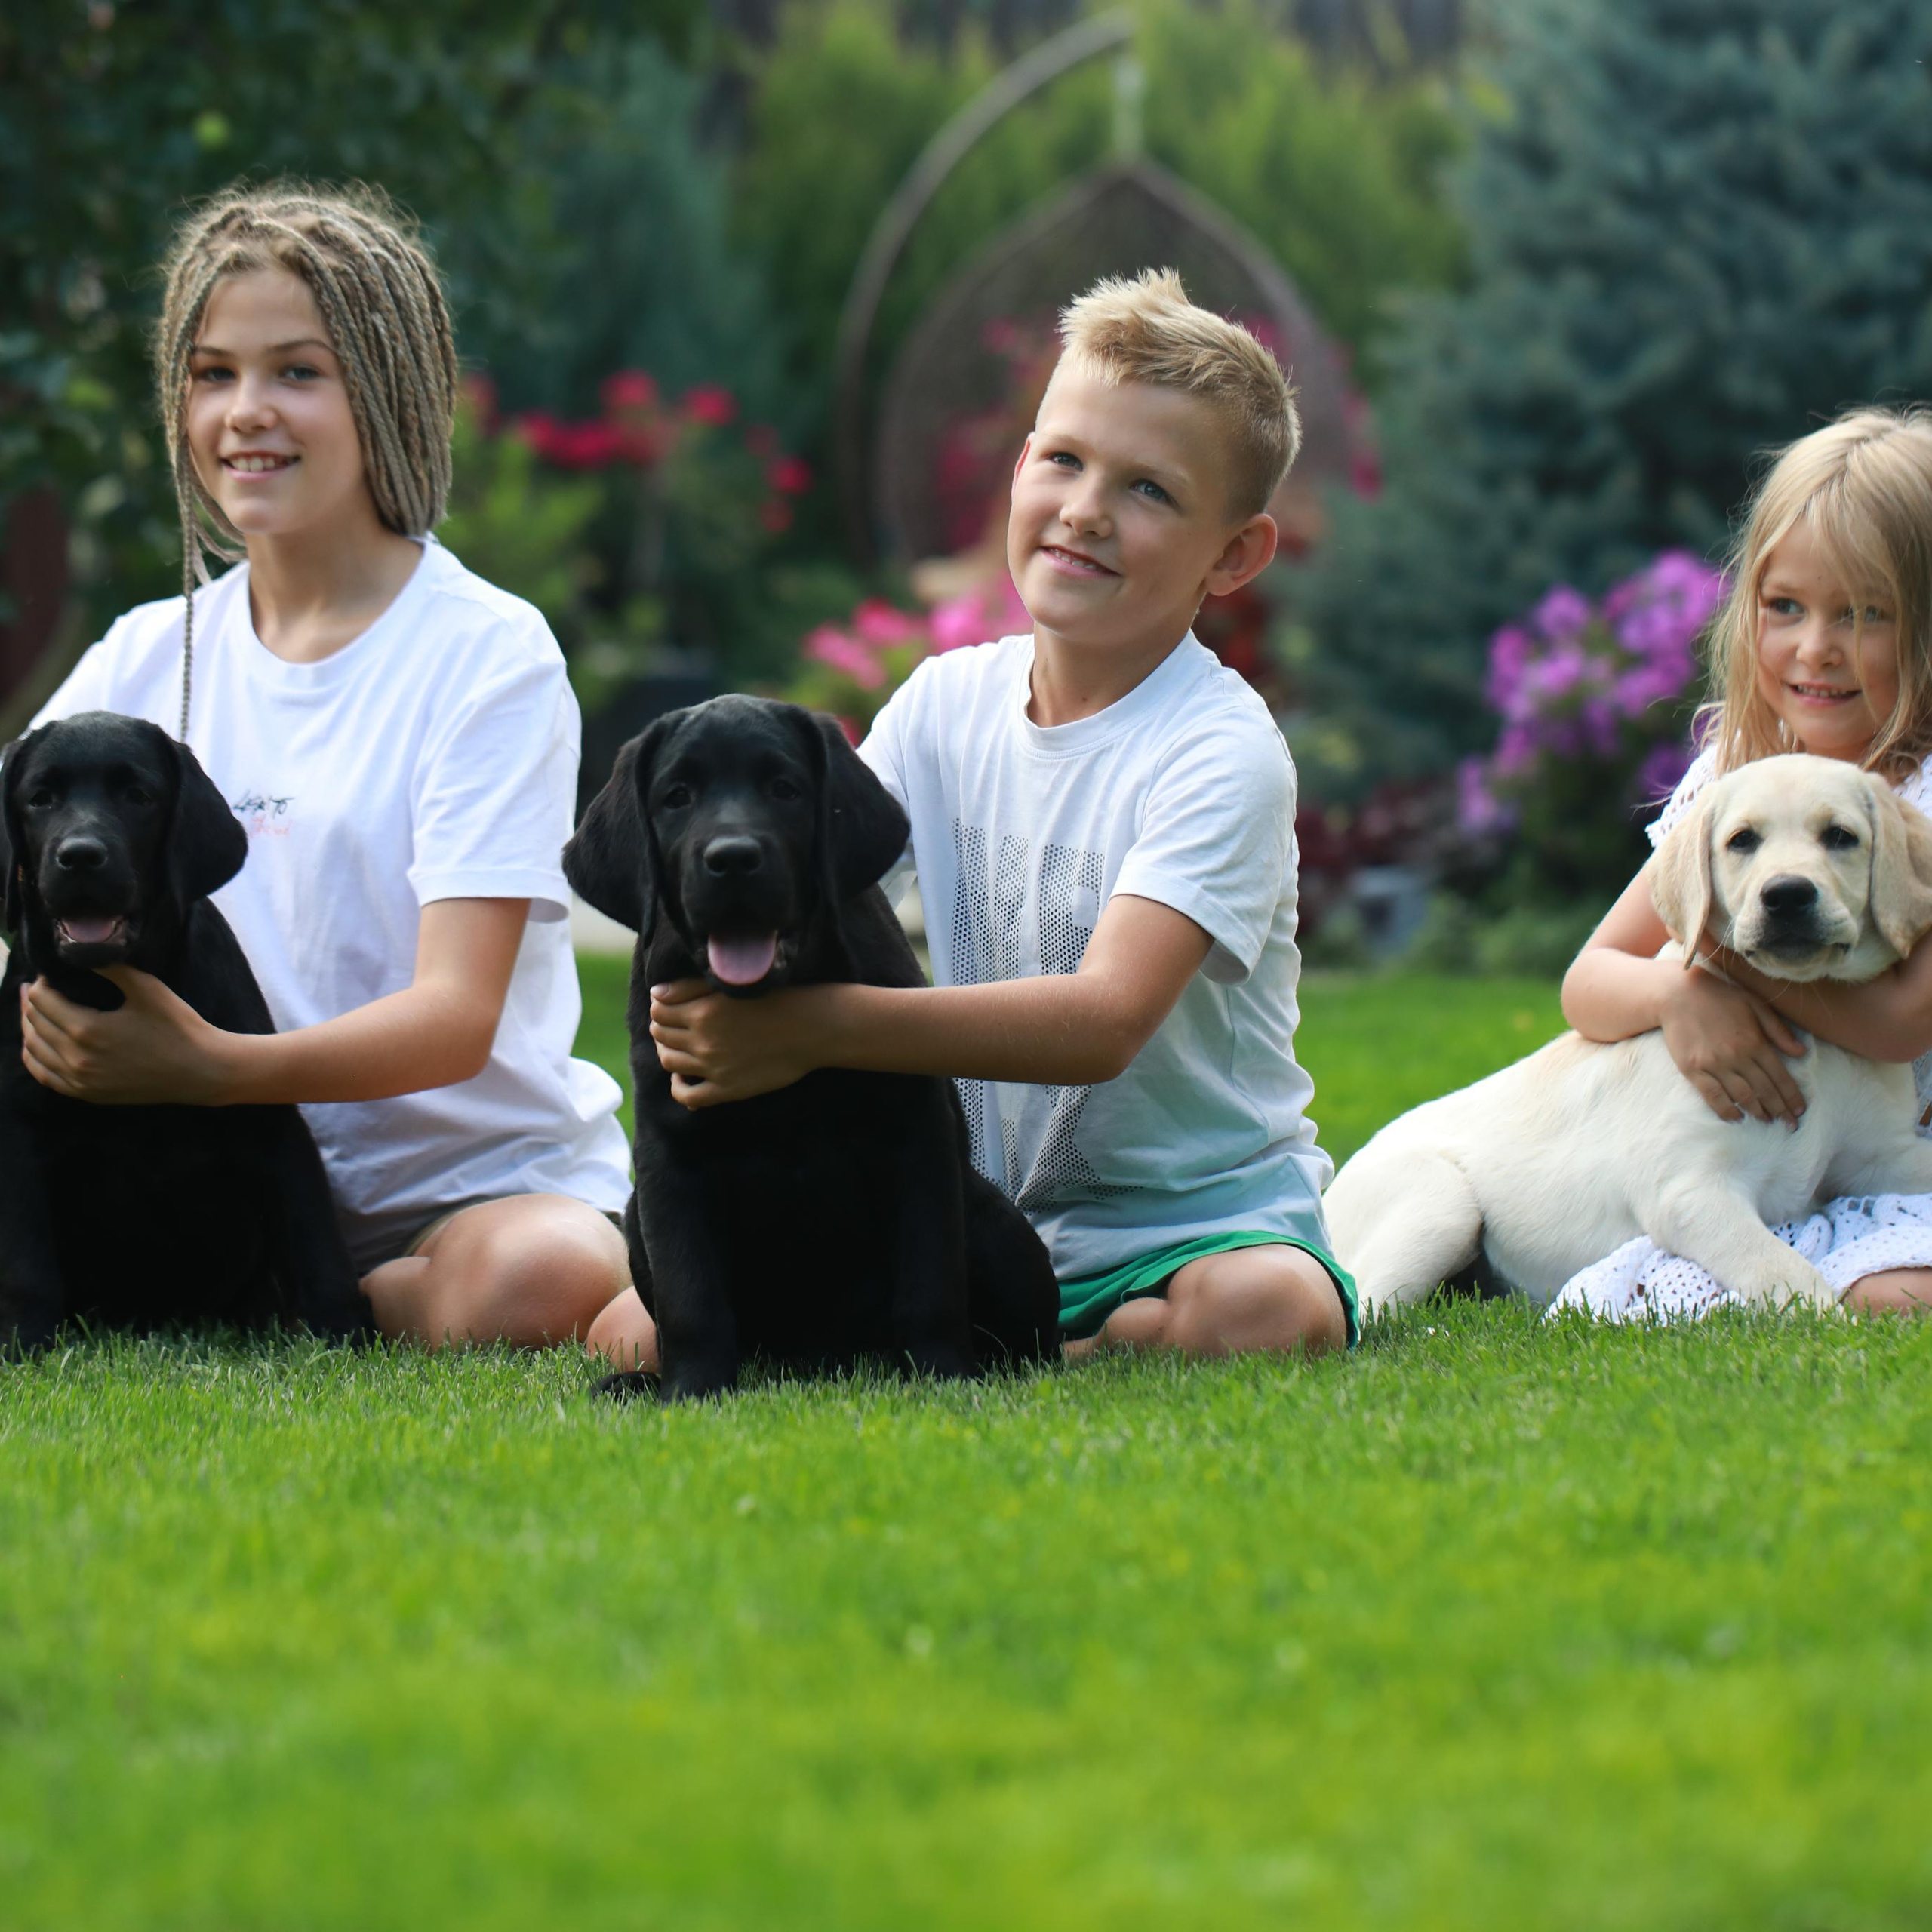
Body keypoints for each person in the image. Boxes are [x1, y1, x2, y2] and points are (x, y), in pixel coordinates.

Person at [589, 268, 1355, 1368]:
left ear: (1234, 556)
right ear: (1019, 469)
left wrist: (814, 1032)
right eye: (1065, 460)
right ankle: (978, 1329)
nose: (1087, 508)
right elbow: (809, 884)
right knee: (633, 1331)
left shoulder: (1217, 751)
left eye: (1150, 491)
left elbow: (1102, 1023)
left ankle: (1066, 1348)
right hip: (970, 1211)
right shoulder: (946, 705)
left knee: (1272, 1316)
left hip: (1191, 1228)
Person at [18, 182, 632, 1346]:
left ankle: (298, 1301)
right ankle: (224, 1281)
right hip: (195, 1176)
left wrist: (207, 1066)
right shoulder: (141, 656)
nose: (246, 412)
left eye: (298, 372)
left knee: (542, 1276)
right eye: (213, 374)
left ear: (385, 389)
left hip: (461, 1201)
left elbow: (454, 1018)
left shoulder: (486, 655)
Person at [1554, 406, 1932, 1322]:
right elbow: (1588, 982)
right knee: (1880, 1289)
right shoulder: (1733, 781)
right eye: (1785, 608)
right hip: (1771, 1159)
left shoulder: (1922, 803)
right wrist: (1677, 995)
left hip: (1903, 1150)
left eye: (1865, 615)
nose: (1815, 650)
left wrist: (1718, 956)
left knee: (1902, 1292)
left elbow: (1895, 1025)